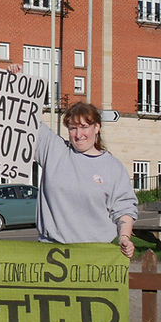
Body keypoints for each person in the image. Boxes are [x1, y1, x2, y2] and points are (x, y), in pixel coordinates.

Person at [34, 100, 137, 257]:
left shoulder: (113, 168)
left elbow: (124, 207)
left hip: (95, 256)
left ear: (97, 127)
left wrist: (124, 237)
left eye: (84, 127)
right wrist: (15, 80)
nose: (78, 134)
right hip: (51, 252)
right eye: (73, 128)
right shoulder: (53, 151)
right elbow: (26, 118)